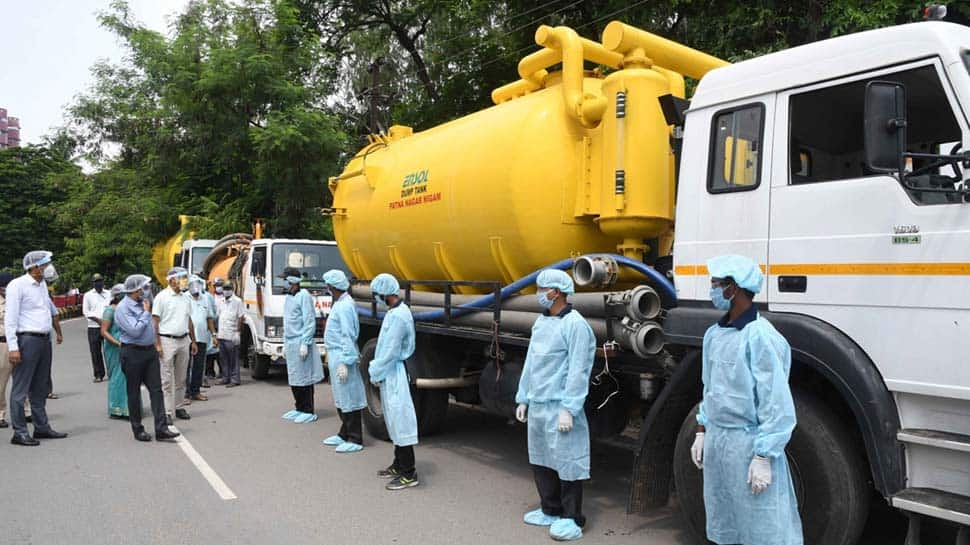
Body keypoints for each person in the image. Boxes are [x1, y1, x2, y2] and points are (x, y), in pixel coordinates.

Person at [691, 255, 802, 545]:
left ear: (734, 289)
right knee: (724, 516)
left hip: (749, 445)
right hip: (719, 443)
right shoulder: (714, 335)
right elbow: (710, 387)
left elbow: (776, 402)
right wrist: (702, 430)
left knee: (763, 525)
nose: (712, 290)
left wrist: (764, 455)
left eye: (716, 284)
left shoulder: (760, 337)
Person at [514, 269, 595, 541]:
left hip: (559, 404)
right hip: (538, 402)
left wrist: (569, 409)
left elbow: (578, 370)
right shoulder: (541, 322)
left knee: (567, 461)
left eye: (541, 289)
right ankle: (550, 508)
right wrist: (523, 397)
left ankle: (572, 518)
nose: (538, 294)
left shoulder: (575, 325)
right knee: (540, 457)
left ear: (556, 292)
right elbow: (531, 362)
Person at [4, 251, 67, 446]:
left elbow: (47, 311)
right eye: (45, 263)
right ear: (34, 266)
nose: (49, 267)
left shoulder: (41, 286)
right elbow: (10, 318)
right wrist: (13, 347)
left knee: (40, 388)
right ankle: (20, 432)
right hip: (27, 340)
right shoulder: (18, 285)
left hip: (43, 340)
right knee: (21, 389)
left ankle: (41, 427)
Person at [368, 273, 420, 490]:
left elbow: (390, 351)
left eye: (376, 295)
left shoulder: (399, 316)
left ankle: (409, 472)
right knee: (392, 420)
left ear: (384, 293)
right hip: (389, 372)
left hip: (393, 372)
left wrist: (375, 370)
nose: (375, 299)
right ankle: (398, 464)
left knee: (401, 421)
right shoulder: (395, 312)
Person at [115, 274, 179, 442]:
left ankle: (161, 428)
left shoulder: (144, 303)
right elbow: (134, 330)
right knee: (134, 392)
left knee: (156, 390)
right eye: (143, 288)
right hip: (132, 352)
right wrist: (145, 313)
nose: (146, 291)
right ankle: (138, 429)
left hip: (149, 352)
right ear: (135, 290)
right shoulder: (123, 308)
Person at [320, 269, 366, 453]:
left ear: (333, 286)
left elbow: (348, 334)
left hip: (343, 356)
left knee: (350, 398)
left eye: (328, 284)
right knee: (341, 397)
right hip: (336, 354)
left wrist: (345, 362)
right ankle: (344, 433)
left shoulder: (346, 305)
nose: (327, 287)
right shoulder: (340, 303)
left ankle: (355, 437)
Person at [152, 267, 197, 423]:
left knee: (181, 377)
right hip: (167, 341)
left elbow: (189, 320)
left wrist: (193, 340)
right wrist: (157, 344)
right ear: (171, 280)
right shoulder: (161, 297)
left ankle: (179, 407)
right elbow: (155, 323)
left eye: (185, 278)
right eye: (181, 278)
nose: (184, 281)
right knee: (166, 379)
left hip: (184, 339)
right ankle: (167, 412)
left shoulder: (186, 298)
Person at [281, 267, 323, 424]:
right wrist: (285, 342)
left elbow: (309, 320)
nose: (283, 283)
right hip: (290, 341)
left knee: (304, 378)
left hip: (300, 341)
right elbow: (287, 321)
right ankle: (298, 407)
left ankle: (308, 409)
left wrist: (305, 342)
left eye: (285, 280)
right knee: (294, 377)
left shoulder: (304, 296)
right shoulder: (288, 297)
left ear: (293, 281)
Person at [186, 275, 217, 400]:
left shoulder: (205, 299)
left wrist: (214, 335)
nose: (195, 286)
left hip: (202, 338)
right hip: (187, 338)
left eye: (197, 284)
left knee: (199, 366)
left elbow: (209, 318)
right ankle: (185, 393)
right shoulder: (184, 298)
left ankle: (195, 391)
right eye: (193, 284)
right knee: (186, 367)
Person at [101, 283, 129, 419]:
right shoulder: (110, 311)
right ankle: (116, 407)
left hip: (128, 346)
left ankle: (128, 406)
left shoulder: (126, 309)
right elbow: (104, 331)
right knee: (117, 377)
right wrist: (117, 343)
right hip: (114, 347)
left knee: (128, 376)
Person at [82, 273, 111, 382]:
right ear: (93, 283)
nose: (98, 283)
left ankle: (111, 372)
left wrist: (106, 321)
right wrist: (98, 320)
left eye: (100, 281)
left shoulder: (109, 293)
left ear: (103, 282)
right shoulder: (88, 295)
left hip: (108, 326)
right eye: (96, 282)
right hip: (94, 326)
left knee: (109, 350)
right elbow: (86, 311)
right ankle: (98, 374)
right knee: (95, 351)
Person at [216, 282, 244, 388]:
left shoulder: (237, 301)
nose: (226, 290)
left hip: (232, 334)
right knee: (223, 358)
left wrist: (238, 332)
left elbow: (241, 317)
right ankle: (225, 378)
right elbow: (219, 315)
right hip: (222, 334)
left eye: (228, 288)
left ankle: (235, 379)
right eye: (225, 289)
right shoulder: (221, 301)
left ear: (232, 290)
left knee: (233, 359)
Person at [205, 277, 227, 380]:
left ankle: (223, 371)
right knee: (210, 350)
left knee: (220, 351)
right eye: (217, 285)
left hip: (222, 326)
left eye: (221, 285)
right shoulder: (210, 297)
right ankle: (210, 371)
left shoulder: (226, 298)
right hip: (211, 325)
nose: (219, 288)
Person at [0, 271, 14, 428]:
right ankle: (0, 414)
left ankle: (27, 411)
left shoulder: (17, 299)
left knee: (24, 380)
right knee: (1, 382)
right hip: (3, 344)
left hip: (19, 341)